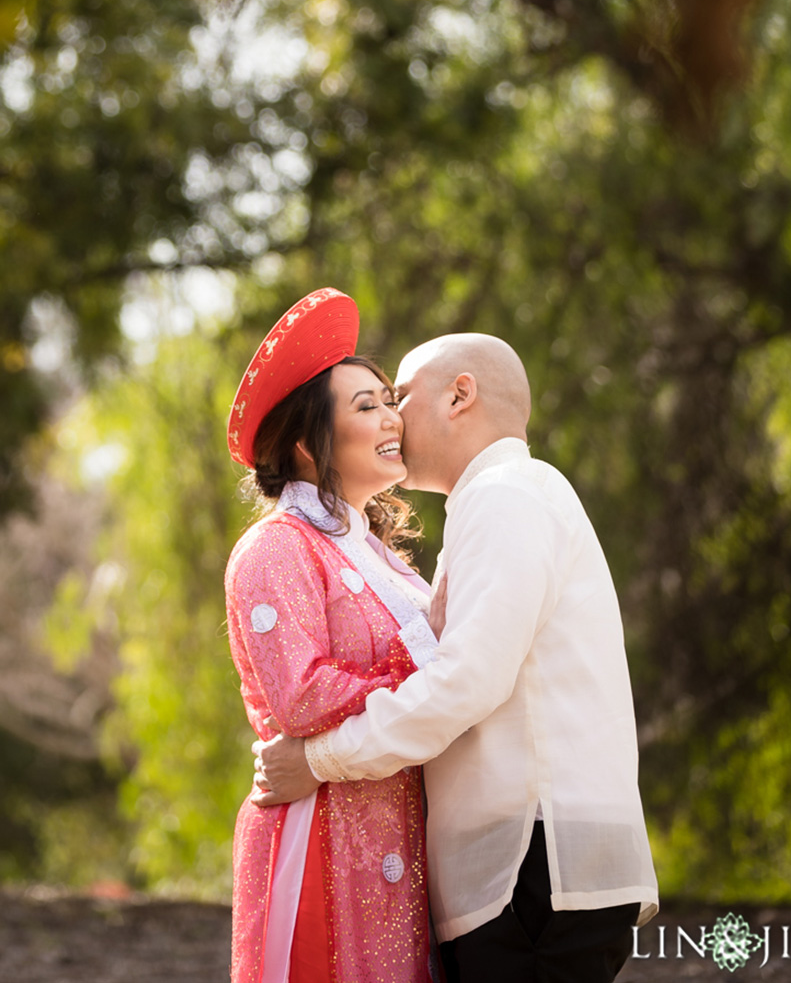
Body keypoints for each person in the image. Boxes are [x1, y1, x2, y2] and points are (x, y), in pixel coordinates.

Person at [254, 331, 660, 982]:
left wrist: (320, 760)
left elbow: (465, 683)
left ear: (459, 394)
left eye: (401, 396)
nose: (392, 418)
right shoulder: (499, 499)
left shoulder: (507, 495)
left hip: (533, 869)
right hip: (536, 871)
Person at [222, 288, 439, 983]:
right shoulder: (277, 548)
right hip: (322, 832)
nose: (392, 418)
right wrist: (429, 671)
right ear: (305, 445)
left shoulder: (379, 555)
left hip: (396, 820)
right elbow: (303, 696)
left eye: (389, 401)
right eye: (367, 406)